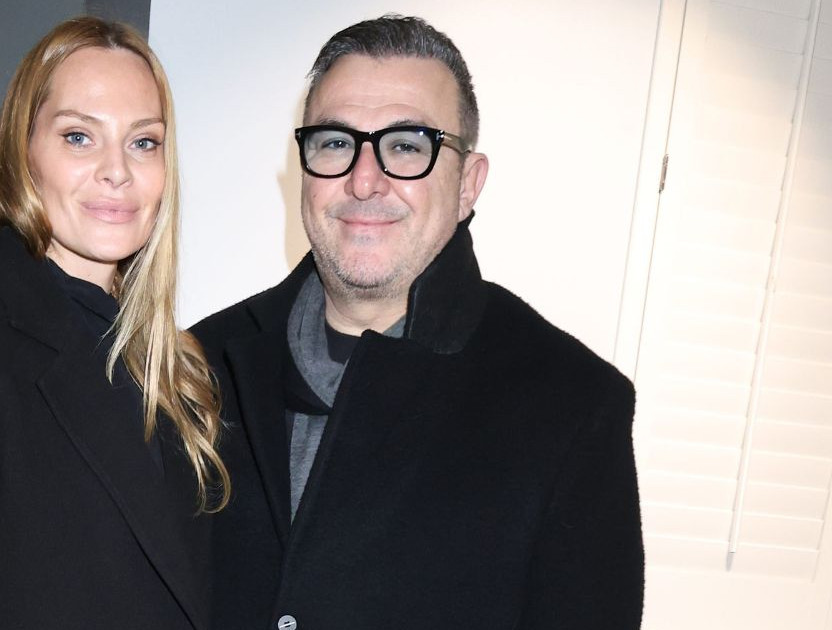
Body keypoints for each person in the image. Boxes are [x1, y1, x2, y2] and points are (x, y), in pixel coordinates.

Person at [192, 14, 643, 630]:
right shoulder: (195, 365)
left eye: (407, 145)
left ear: (468, 185)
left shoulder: (572, 406)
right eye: (335, 142)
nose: (364, 180)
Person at [0, 17, 227, 630]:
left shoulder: (180, 368)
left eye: (144, 142)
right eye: (79, 137)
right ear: (23, 156)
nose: (117, 170)